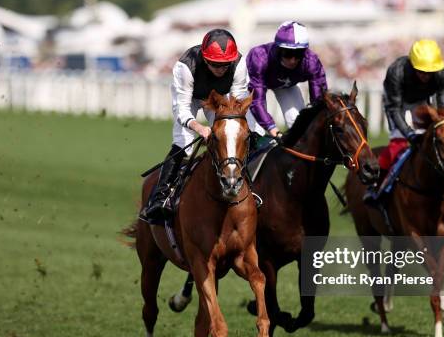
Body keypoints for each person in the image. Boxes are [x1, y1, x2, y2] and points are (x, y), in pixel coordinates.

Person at [140, 28, 256, 223]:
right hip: (191, 99)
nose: (221, 69)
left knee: (234, 139)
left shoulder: (239, 63)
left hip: (219, 102)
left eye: (225, 64)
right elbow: (182, 109)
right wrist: (200, 128)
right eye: (215, 64)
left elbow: (237, 101)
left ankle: (251, 188)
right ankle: (160, 197)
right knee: (184, 142)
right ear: (205, 58)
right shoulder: (185, 67)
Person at [364, 39, 444, 205]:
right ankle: (375, 185)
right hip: (397, 104)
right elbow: (394, 110)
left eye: (430, 71)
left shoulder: (443, 72)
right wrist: (410, 134)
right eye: (421, 71)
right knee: (400, 143)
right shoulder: (396, 71)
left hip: (422, 102)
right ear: (412, 64)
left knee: (435, 141)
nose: (426, 75)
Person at [246, 21, 328, 137]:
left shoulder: (312, 61)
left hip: (285, 86)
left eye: (298, 53)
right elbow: (256, 101)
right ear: (278, 49)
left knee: (299, 126)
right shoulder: (259, 58)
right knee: (255, 129)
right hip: (253, 84)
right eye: (288, 53)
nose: (293, 60)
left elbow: (319, 100)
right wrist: (272, 128)